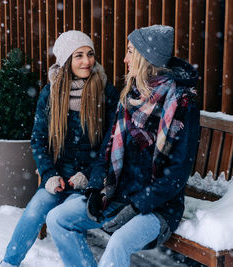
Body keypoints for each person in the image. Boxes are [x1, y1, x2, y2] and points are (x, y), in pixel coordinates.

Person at [46, 24, 200, 267]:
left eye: (130, 52)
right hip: (118, 194)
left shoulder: (181, 104)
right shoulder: (131, 96)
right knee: (57, 218)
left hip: (158, 207)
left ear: (144, 58)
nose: (125, 58)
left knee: (118, 242)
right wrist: (96, 189)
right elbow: (105, 152)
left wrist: (137, 205)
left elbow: (175, 176)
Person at [0, 30, 119, 267]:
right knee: (34, 211)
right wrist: (49, 174)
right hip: (58, 178)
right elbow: (38, 140)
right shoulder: (51, 93)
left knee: (62, 219)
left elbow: (111, 145)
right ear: (66, 61)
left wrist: (87, 177)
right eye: (79, 56)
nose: (87, 61)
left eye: (90, 54)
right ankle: (8, 263)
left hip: (91, 183)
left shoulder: (105, 93)